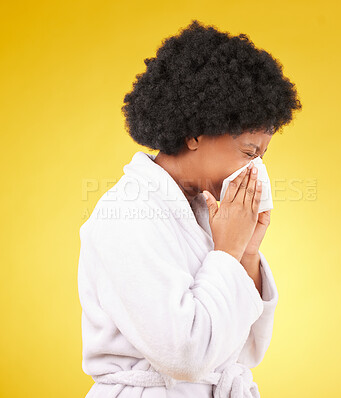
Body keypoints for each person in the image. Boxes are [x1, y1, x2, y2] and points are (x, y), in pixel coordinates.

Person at [78, 19, 302, 398]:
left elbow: (245, 352)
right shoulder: (127, 214)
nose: (255, 170)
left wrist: (246, 253)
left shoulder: (205, 213)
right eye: (248, 153)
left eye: (262, 156)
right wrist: (227, 253)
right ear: (195, 132)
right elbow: (186, 356)